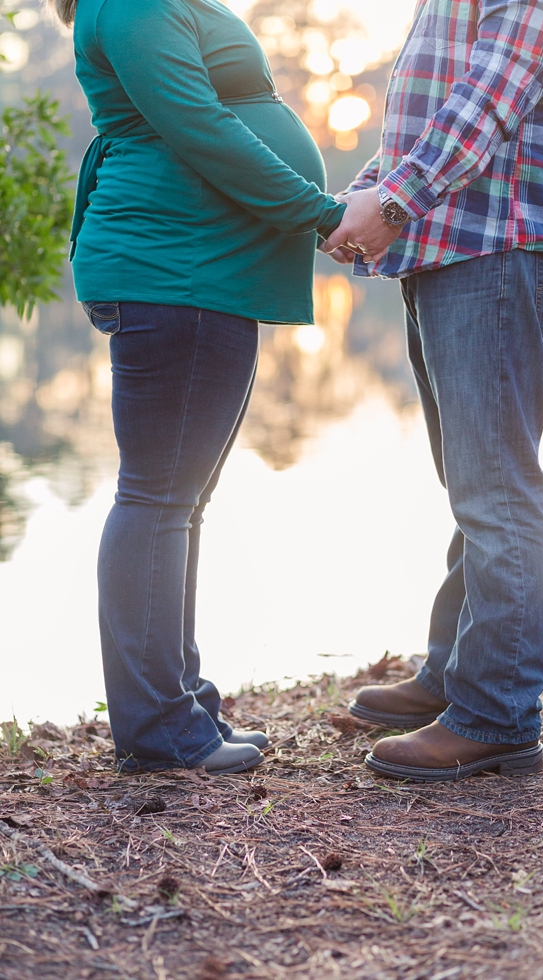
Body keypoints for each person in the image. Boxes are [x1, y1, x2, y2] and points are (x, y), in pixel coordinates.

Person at [52, 0, 369, 776]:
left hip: (201, 266)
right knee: (158, 499)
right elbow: (198, 125)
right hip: (178, 266)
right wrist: (320, 213)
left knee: (177, 501)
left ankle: (183, 707)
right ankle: (161, 731)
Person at [325, 0, 543, 782]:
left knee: (495, 492)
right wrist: (363, 195)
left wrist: (390, 205)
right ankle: (456, 671)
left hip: (498, 244)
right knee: (471, 484)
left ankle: (495, 714)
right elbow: (431, 106)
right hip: (452, 242)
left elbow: (492, 93)